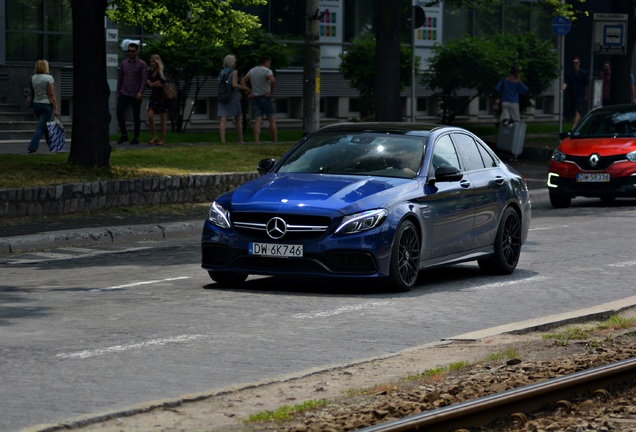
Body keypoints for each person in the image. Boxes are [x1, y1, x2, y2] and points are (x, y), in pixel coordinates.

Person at [240, 55, 278, 143]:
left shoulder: (252, 71)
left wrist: (248, 91)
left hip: (255, 97)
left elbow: (242, 81)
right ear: (266, 62)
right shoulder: (267, 71)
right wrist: (271, 91)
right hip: (265, 96)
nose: (270, 65)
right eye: (269, 63)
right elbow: (272, 81)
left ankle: (257, 141)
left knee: (258, 119)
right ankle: (275, 141)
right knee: (271, 119)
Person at [116, 42, 147, 145]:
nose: (130, 53)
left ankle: (136, 137)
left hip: (135, 94)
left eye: (133, 51)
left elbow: (144, 80)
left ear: (137, 52)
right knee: (119, 111)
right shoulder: (124, 63)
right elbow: (120, 77)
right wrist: (118, 91)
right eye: (129, 51)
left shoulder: (142, 64)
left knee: (136, 116)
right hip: (124, 92)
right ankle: (124, 135)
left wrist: (140, 92)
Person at [28, 59, 59, 154]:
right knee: (41, 127)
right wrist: (56, 108)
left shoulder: (32, 77)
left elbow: (32, 92)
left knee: (45, 126)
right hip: (46, 106)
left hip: (36, 105)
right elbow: (51, 95)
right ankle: (32, 147)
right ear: (46, 67)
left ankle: (54, 146)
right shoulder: (49, 78)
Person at [217, 54, 251, 144]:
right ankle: (240, 140)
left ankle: (223, 140)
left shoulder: (221, 72)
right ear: (232, 62)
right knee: (237, 118)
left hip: (223, 96)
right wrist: (246, 88)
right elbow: (234, 84)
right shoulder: (234, 72)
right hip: (232, 96)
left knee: (223, 118)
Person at [146, 54, 169, 145]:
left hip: (162, 96)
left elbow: (163, 83)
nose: (152, 63)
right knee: (150, 116)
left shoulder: (162, 71)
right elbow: (148, 84)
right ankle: (154, 136)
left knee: (162, 119)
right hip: (153, 96)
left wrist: (154, 83)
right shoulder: (151, 72)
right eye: (151, 61)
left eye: (153, 61)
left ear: (157, 62)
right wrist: (153, 83)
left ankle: (162, 139)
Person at [563, 56, 589, 129]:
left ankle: (573, 128)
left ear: (579, 63)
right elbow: (566, 82)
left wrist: (586, 96)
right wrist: (564, 87)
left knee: (577, 110)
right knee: (574, 111)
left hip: (580, 94)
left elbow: (586, 85)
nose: (575, 64)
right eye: (574, 63)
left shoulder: (583, 73)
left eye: (576, 63)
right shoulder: (569, 73)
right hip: (572, 94)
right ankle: (577, 125)